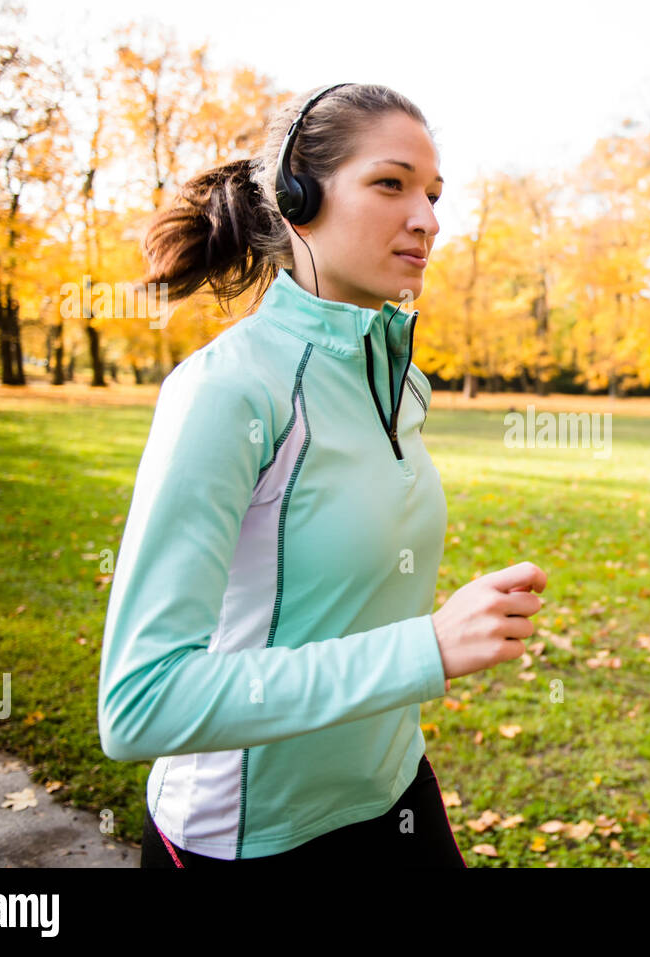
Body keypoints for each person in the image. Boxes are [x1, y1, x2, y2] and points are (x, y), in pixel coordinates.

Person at [97, 82, 547, 867]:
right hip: (251, 838)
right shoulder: (225, 390)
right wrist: (427, 649)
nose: (429, 220)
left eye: (435, 195)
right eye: (391, 183)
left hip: (395, 793)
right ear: (296, 196)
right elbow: (141, 704)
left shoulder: (402, 380)